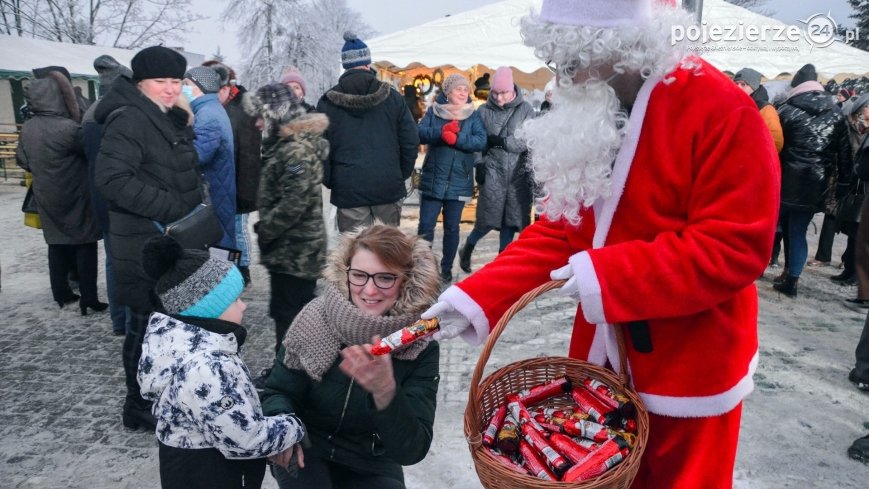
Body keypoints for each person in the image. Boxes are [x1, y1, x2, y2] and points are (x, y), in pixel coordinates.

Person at [421, 1, 779, 487]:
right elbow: (560, 227)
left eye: (573, 57)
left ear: (621, 47)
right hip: (606, 356)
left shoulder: (722, 110)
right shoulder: (595, 106)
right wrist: (475, 297)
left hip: (691, 364)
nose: (561, 74)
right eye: (557, 58)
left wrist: (609, 273)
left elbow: (734, 247)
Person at [261, 224, 441, 489]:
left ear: (407, 280)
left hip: (373, 459)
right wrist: (282, 427)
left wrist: (385, 392)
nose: (369, 291)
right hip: (309, 447)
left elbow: (411, 450)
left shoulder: (418, 343)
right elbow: (278, 391)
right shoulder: (315, 317)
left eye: (385, 278)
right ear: (345, 273)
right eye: (359, 275)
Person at [137, 235, 306, 489]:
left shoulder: (179, 344)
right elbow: (244, 438)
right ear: (207, 309)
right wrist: (294, 426)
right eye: (234, 299)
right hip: (211, 473)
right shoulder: (206, 366)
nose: (244, 306)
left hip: (186, 467)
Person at [95, 45, 205, 431]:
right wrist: (171, 206)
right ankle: (137, 405)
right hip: (142, 242)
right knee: (144, 326)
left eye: (176, 80)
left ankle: (162, 395)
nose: (171, 88)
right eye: (161, 81)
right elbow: (111, 180)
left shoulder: (166, 115)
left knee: (164, 324)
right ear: (140, 82)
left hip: (166, 240)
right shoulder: (129, 119)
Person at [242, 83, 329, 385]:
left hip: (296, 251)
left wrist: (266, 229)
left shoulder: (295, 150)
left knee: (292, 315)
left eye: (261, 116)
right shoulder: (287, 144)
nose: (257, 123)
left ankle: (292, 375)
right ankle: (288, 369)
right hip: (290, 250)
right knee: (285, 312)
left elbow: (296, 201)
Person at [16, 67, 107, 315]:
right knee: (85, 243)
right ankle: (89, 297)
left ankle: (61, 293)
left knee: (56, 243)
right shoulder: (68, 128)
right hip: (76, 193)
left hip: (46, 193)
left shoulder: (29, 127)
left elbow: (22, 161)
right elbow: (91, 153)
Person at [317, 32, 419, 232]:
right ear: (367, 62)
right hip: (387, 186)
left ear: (346, 65)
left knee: (355, 254)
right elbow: (410, 140)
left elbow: (319, 149)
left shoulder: (327, 102)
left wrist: (332, 180)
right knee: (388, 255)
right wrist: (399, 173)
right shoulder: (392, 97)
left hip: (348, 188)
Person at [775, 63, 850, 297]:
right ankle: (792, 278)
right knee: (798, 229)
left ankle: (763, 270)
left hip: (785, 177)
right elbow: (845, 151)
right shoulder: (836, 112)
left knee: (775, 227)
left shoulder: (786, 110)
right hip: (816, 181)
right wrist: (844, 183)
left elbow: (774, 146)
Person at [458, 67, 535, 273]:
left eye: (504, 93)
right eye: (496, 93)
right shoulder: (483, 112)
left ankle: (502, 263)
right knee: (488, 218)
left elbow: (527, 140)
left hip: (518, 173)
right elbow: (476, 141)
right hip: (493, 169)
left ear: (512, 90)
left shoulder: (526, 110)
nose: (500, 97)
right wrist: (479, 164)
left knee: (511, 219)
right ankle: (469, 246)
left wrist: (501, 142)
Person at [417, 74, 487, 283]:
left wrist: (457, 139)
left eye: (465, 90)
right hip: (433, 179)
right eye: (458, 89)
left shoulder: (473, 116)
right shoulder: (434, 111)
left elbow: (480, 141)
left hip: (459, 181)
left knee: (452, 227)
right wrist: (441, 132)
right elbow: (420, 133)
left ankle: (446, 268)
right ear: (448, 92)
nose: (463, 92)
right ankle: (423, 268)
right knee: (426, 226)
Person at [82, 55, 134, 335]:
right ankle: (130, 321)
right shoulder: (122, 113)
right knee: (127, 263)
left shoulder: (91, 112)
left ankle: (119, 321)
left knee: (114, 261)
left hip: (100, 198)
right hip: (122, 200)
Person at [203, 60, 261, 286]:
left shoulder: (244, 108)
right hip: (222, 183)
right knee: (222, 231)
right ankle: (228, 268)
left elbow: (248, 154)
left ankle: (243, 267)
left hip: (241, 183)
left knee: (237, 229)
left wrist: (244, 190)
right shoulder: (220, 107)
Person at [183, 66, 237, 250]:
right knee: (222, 244)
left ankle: (230, 277)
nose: (183, 89)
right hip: (218, 190)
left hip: (214, 194)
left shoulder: (207, 115)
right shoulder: (211, 109)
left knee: (219, 247)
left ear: (199, 87)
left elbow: (196, 157)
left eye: (187, 84)